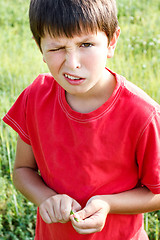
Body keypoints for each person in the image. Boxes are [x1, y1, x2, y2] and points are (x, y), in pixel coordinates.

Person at [3, 0, 160, 239]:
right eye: (57, 48)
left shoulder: (144, 115)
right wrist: (46, 198)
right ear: (39, 47)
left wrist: (108, 204)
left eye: (86, 44)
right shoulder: (34, 98)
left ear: (111, 41)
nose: (73, 62)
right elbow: (23, 170)